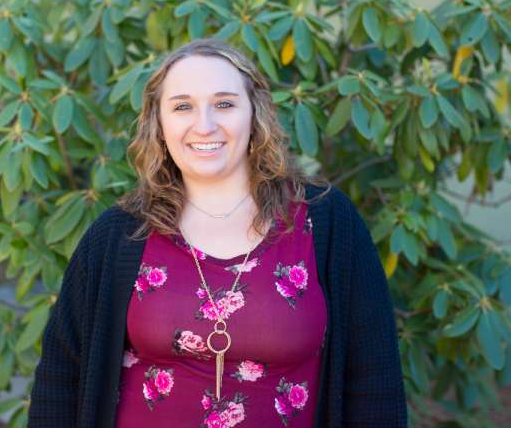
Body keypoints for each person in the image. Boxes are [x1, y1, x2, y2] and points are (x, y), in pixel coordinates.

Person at [28, 38, 407, 427]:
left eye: (224, 104)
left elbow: (374, 382)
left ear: (255, 114)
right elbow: (61, 378)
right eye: (182, 107)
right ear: (159, 124)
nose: (204, 125)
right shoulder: (119, 234)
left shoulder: (327, 223)